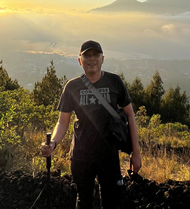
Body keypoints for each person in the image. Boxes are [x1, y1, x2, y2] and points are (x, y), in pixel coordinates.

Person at [41, 40, 142, 209]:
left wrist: (136, 153)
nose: (92, 59)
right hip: (81, 156)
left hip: (109, 155)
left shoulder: (115, 82)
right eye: (87, 55)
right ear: (80, 61)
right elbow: (62, 122)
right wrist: (53, 144)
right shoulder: (72, 87)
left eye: (96, 55)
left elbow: (130, 115)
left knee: (111, 201)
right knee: (83, 200)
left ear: (103, 59)